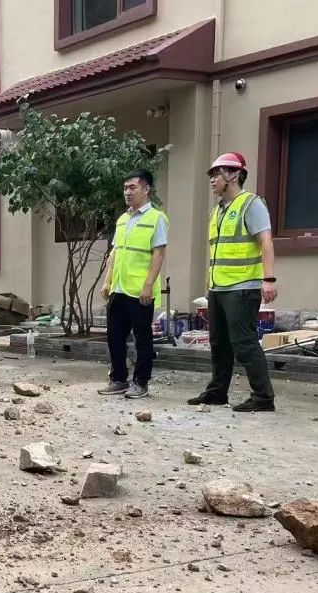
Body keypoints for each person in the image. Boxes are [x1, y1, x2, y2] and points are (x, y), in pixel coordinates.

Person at [187, 152, 278, 412]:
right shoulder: (218, 211)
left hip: (243, 288)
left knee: (244, 343)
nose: (213, 179)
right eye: (212, 174)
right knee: (219, 343)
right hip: (218, 288)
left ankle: (263, 398)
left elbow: (266, 242)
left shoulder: (251, 204)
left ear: (235, 174)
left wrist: (269, 279)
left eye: (218, 173)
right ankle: (218, 392)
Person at [99, 170, 168, 399]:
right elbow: (115, 253)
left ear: (146, 189)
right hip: (119, 288)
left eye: (132, 187)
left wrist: (148, 285)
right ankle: (118, 378)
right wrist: (107, 281)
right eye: (125, 188)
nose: (127, 192)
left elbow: (158, 254)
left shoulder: (156, 218)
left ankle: (141, 382)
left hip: (140, 291)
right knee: (114, 336)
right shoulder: (122, 220)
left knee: (142, 338)